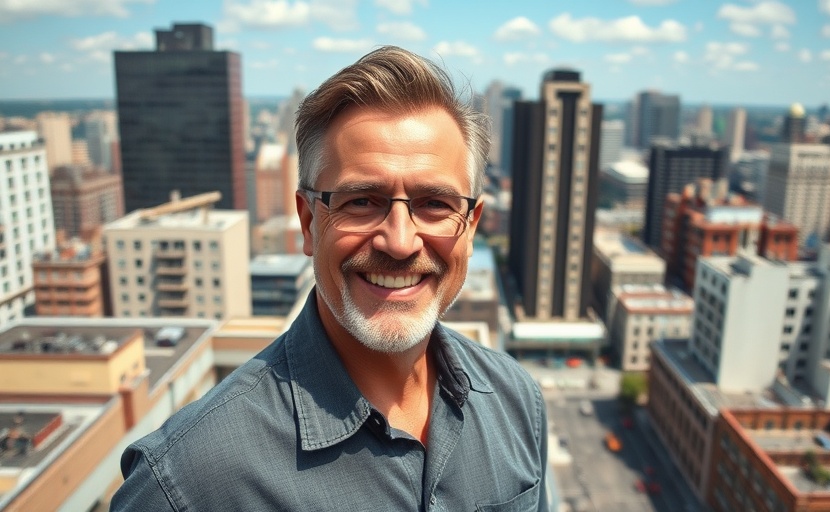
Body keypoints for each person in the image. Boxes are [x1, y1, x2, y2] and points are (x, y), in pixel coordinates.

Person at [111, 45, 547, 511]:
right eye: (361, 201)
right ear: (308, 222)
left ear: (471, 226)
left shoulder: (515, 401)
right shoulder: (187, 483)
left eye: (435, 204)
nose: (399, 242)